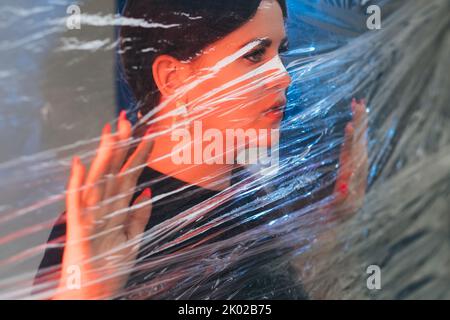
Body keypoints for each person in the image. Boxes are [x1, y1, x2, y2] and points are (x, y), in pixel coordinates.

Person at [34, 0, 368, 299]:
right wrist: (85, 295)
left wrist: (337, 218)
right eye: (254, 54)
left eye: (280, 52)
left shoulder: (247, 195)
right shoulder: (109, 228)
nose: (283, 76)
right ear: (173, 77)